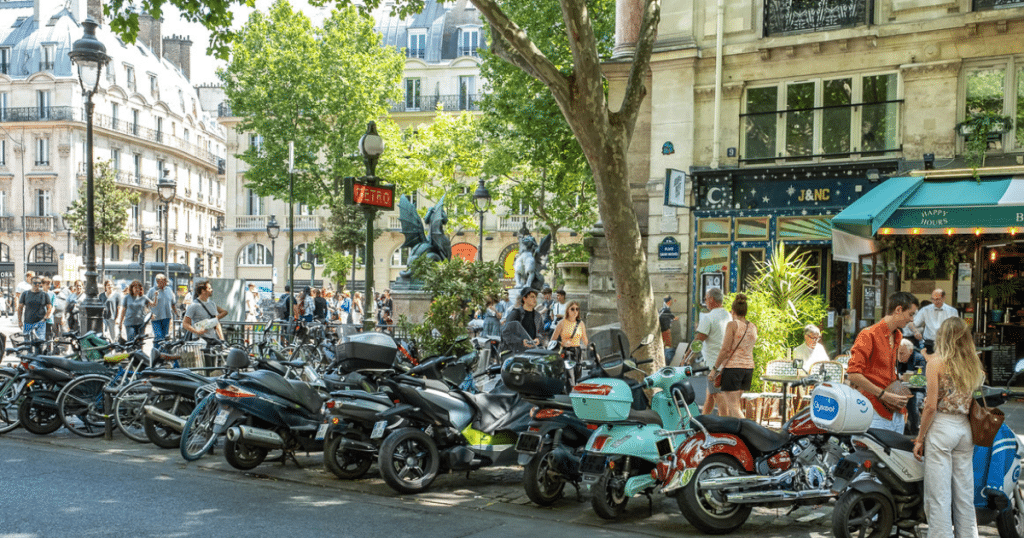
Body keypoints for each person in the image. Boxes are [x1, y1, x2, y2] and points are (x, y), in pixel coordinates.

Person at [913, 317, 985, 538]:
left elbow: (931, 407)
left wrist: (919, 438)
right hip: (965, 428)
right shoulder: (974, 363)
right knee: (964, 493)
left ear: (942, 336)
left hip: (942, 426)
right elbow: (977, 396)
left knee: (939, 495)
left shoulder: (935, 362)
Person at [847, 291, 919, 433]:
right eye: (911, 314)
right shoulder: (868, 334)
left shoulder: (897, 335)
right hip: (873, 410)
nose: (911, 320)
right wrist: (884, 395)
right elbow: (853, 374)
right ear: (898, 310)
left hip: (894, 411)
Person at [707, 293, 757, 419]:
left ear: (732, 311)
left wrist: (714, 369)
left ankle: (749, 432)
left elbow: (724, 350)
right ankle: (737, 434)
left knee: (733, 406)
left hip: (733, 368)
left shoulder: (732, 325)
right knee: (735, 405)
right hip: (748, 369)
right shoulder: (752, 326)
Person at [694, 287, 731, 415]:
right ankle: (703, 421)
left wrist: (686, 358)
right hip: (726, 361)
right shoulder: (728, 315)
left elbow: (698, 342)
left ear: (711, 299)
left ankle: (726, 427)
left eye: (705, 298)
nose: (705, 301)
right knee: (711, 395)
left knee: (718, 397)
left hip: (714, 363)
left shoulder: (708, 318)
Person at [911, 289, 958, 354]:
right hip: (929, 343)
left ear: (944, 298)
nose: (935, 302)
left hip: (945, 343)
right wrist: (915, 332)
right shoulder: (925, 310)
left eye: (938, 299)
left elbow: (956, 328)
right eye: (933, 299)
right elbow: (913, 323)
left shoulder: (952, 311)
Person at [503, 288, 543, 353]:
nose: (535, 299)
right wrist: (521, 341)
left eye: (535, 297)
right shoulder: (515, 313)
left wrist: (538, 339)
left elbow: (541, 332)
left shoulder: (538, 316)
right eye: (532, 297)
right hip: (516, 352)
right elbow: (506, 333)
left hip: (533, 352)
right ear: (524, 299)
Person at [17, 276, 51, 342]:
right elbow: (20, 308)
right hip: (28, 322)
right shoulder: (25, 294)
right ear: (31, 283)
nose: (37, 284)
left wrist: (45, 317)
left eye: (39, 283)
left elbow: (49, 306)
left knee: (40, 343)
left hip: (40, 322)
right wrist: (19, 321)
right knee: (27, 343)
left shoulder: (44, 294)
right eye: (35, 283)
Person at [147, 274, 177, 344]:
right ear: (158, 281)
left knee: (165, 337)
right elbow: (146, 303)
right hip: (155, 318)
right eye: (164, 281)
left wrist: (177, 314)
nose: (166, 282)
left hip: (166, 317)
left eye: (166, 281)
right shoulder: (152, 290)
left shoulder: (169, 290)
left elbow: (173, 303)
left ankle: (162, 353)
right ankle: (155, 352)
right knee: (158, 336)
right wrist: (148, 313)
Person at [659, 296, 679, 361]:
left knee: (664, 345)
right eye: (671, 301)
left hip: (663, 329)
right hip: (665, 330)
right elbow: (671, 317)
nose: (672, 302)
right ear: (669, 301)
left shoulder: (662, 309)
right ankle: (668, 360)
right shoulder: (666, 310)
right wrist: (674, 318)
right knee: (668, 345)